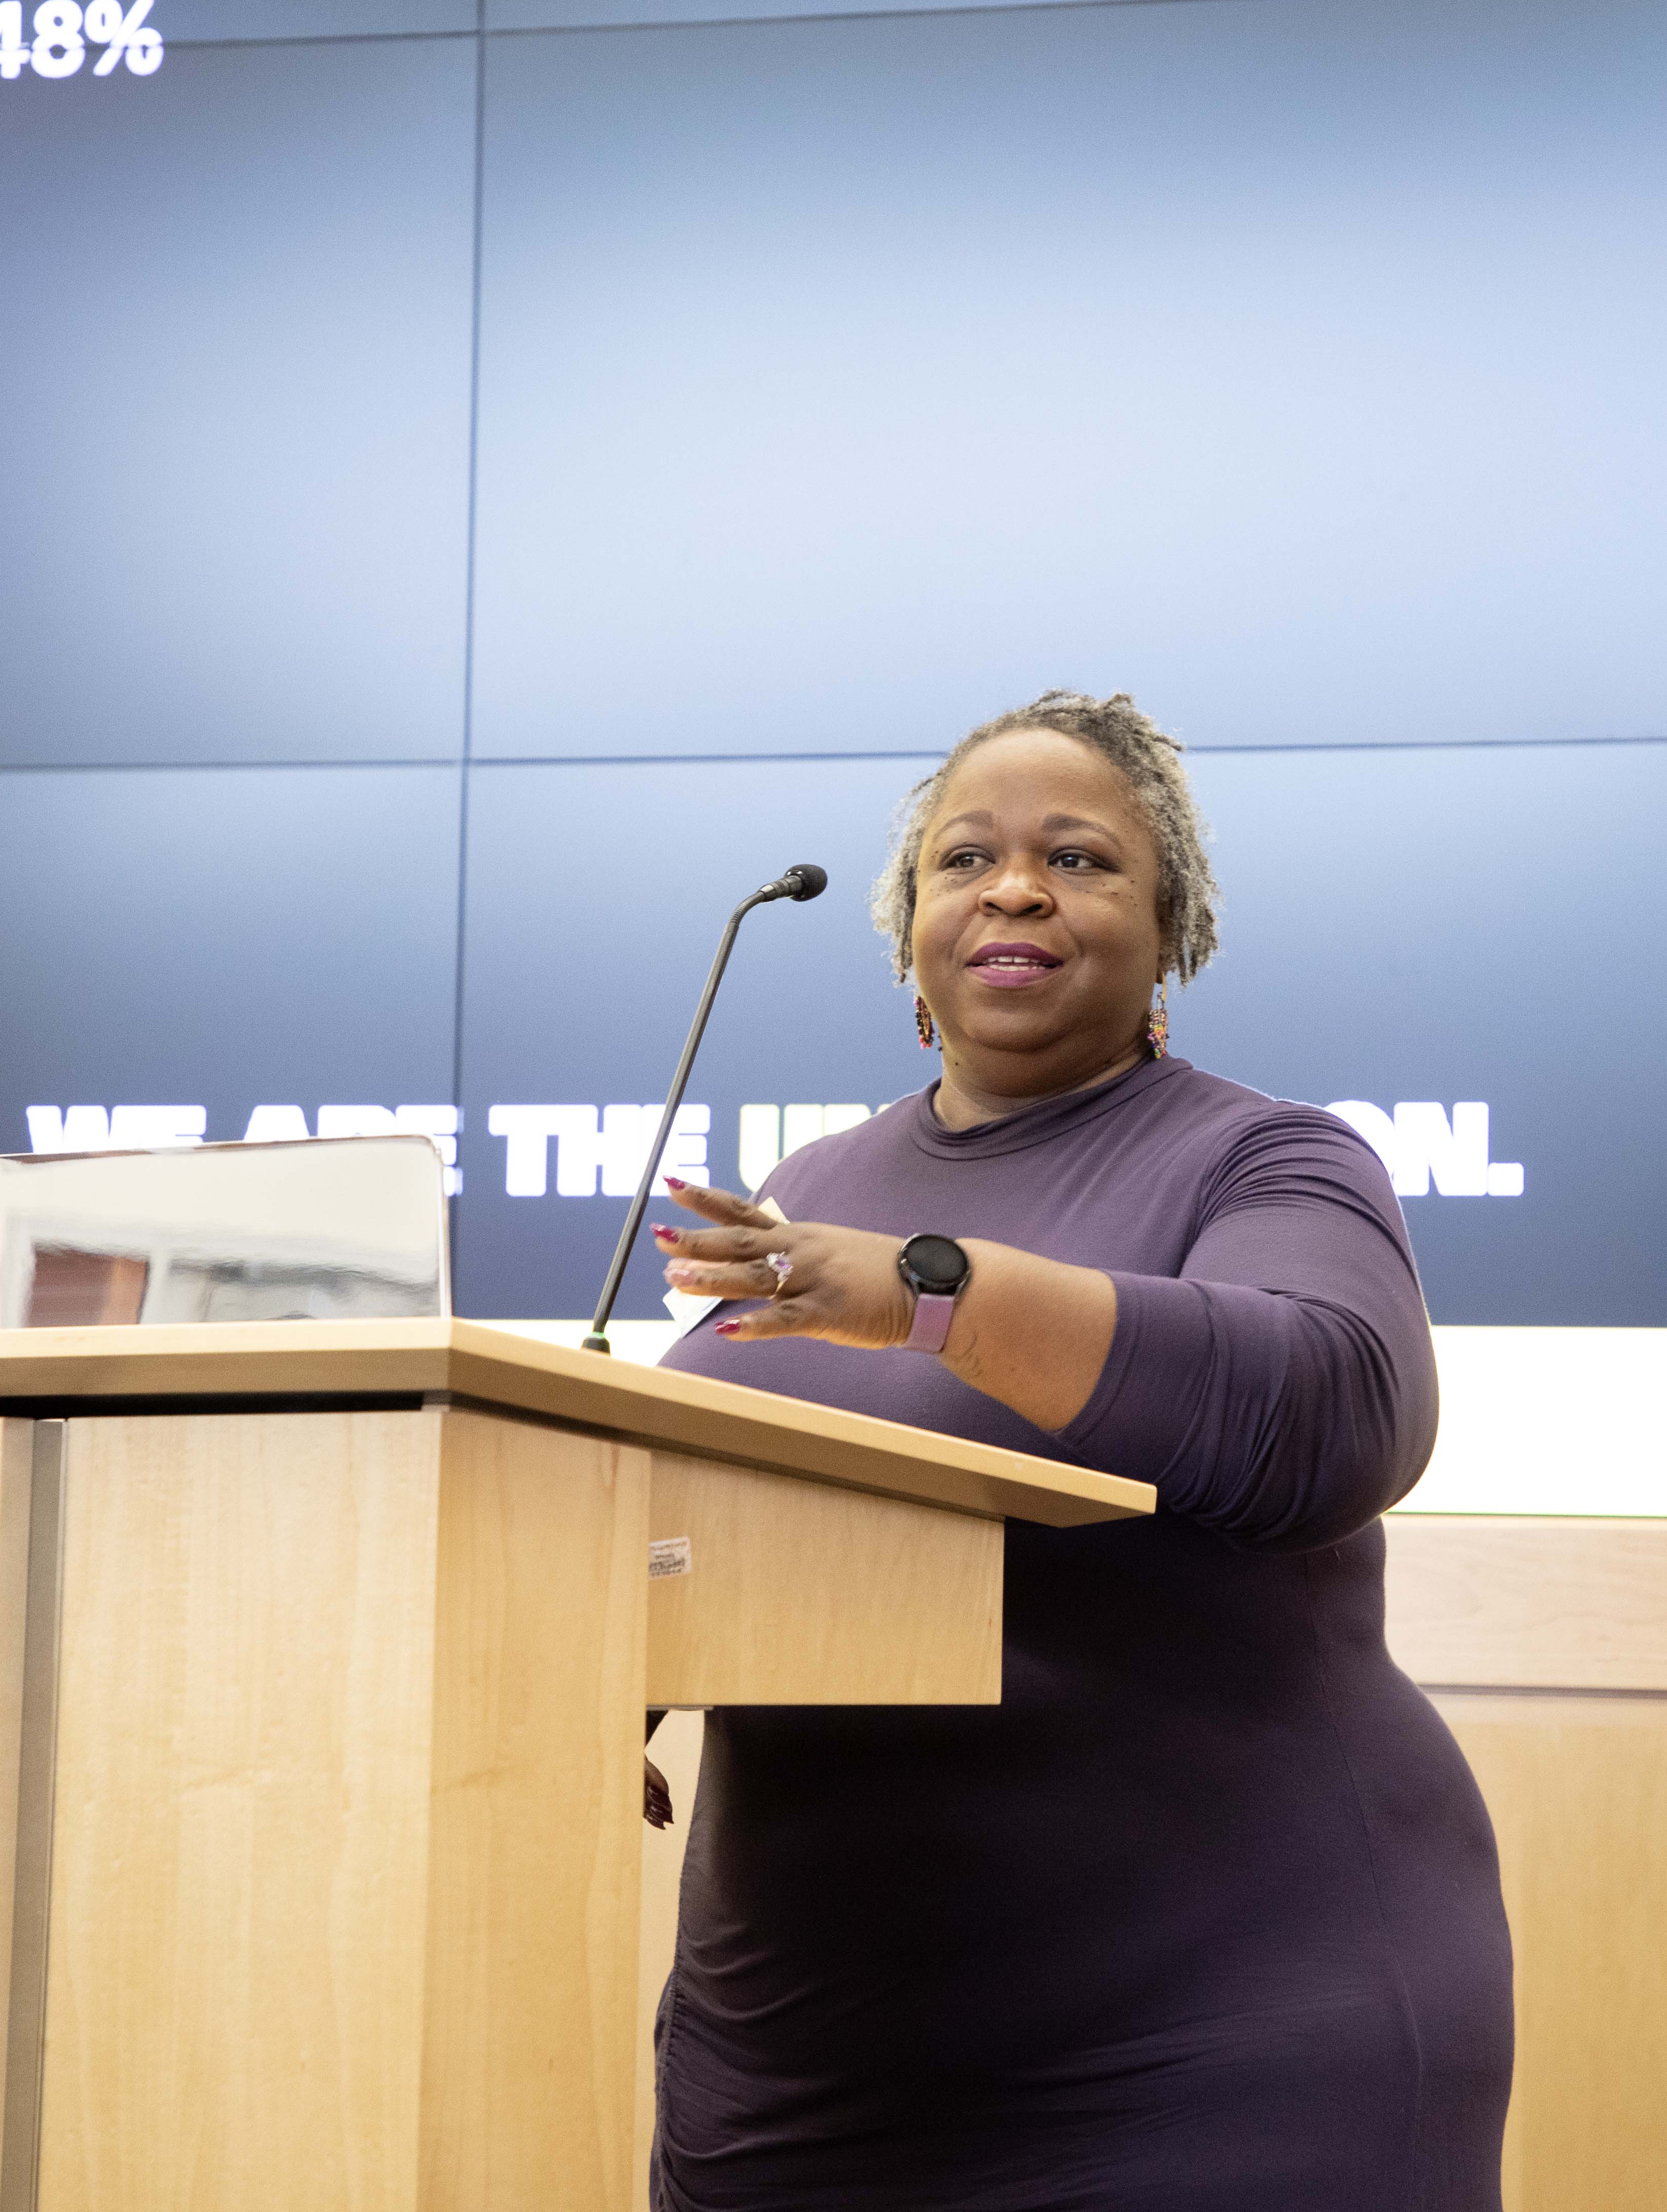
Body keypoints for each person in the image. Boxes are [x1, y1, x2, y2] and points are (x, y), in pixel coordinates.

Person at [646, 690, 1512, 2211]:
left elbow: (1331, 1411)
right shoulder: (815, 1187)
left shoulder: (1267, 1158)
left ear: (1171, 928)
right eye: (964, 857)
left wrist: (932, 1293)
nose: (1017, 887)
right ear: (909, 931)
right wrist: (604, 1676)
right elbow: (685, 1498)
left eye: (1082, 859)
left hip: (1215, 2045)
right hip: (807, 2074)